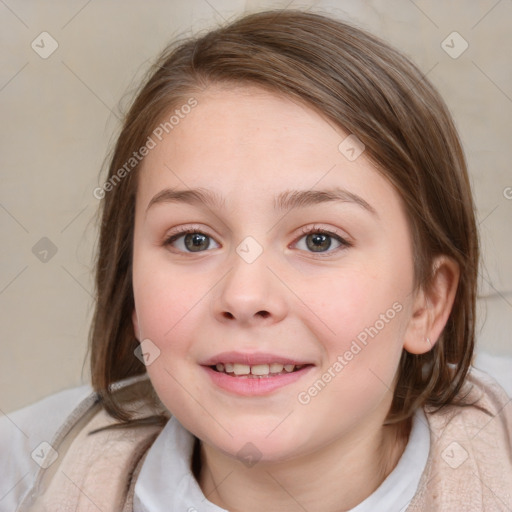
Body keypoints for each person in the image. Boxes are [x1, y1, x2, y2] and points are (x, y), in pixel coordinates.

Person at [1, 9, 511, 512]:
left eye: (318, 241)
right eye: (194, 240)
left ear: (428, 301)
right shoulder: (22, 475)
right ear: (131, 286)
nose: (245, 297)